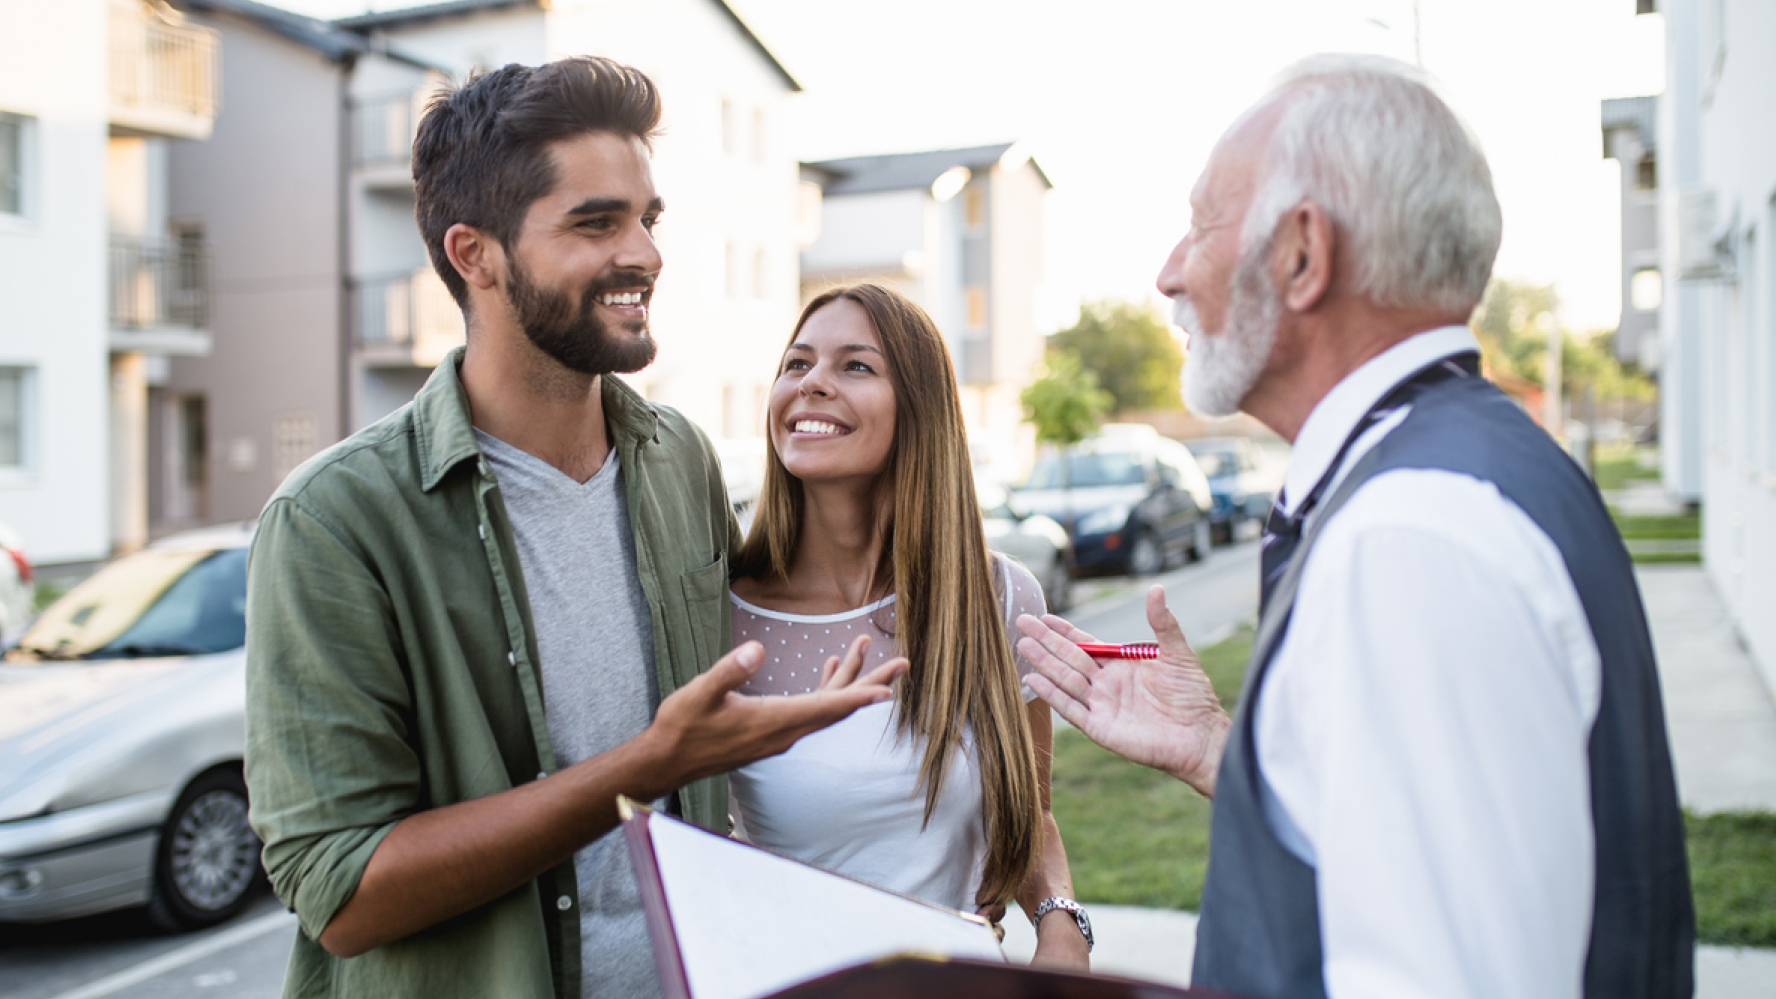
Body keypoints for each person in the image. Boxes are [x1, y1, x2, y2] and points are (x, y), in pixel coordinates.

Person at [1016, 55, 1694, 999]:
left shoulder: (1411, 537)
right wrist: (1223, 754)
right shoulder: (1469, 468)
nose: (1167, 272)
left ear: (1302, 253)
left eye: (1203, 223)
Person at [244, 58, 904, 999]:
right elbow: (340, 893)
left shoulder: (678, 456)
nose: (645, 253)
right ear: (475, 255)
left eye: (648, 217)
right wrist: (647, 765)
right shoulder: (334, 521)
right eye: (597, 222)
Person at [726, 284, 1092, 971]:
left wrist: (1061, 924)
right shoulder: (726, 618)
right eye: (797, 364)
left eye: (855, 366)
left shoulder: (999, 597)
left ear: (919, 410)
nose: (813, 385)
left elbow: (1029, 815)